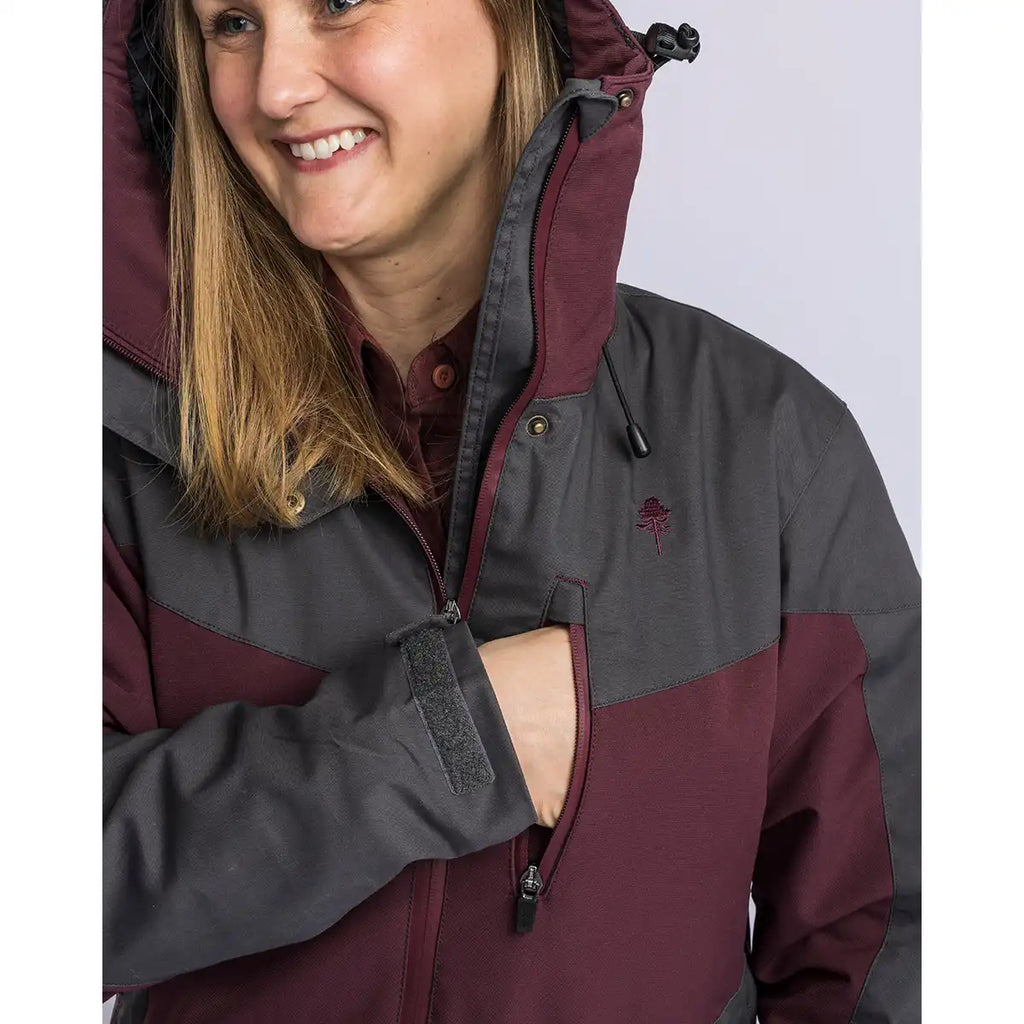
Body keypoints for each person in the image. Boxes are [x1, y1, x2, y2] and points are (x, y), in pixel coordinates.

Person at [102, 0, 921, 1021]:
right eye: (231, 22)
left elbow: (886, 945)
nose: (274, 87)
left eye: (339, 3)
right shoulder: (118, 450)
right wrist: (441, 742)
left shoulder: (766, 446)